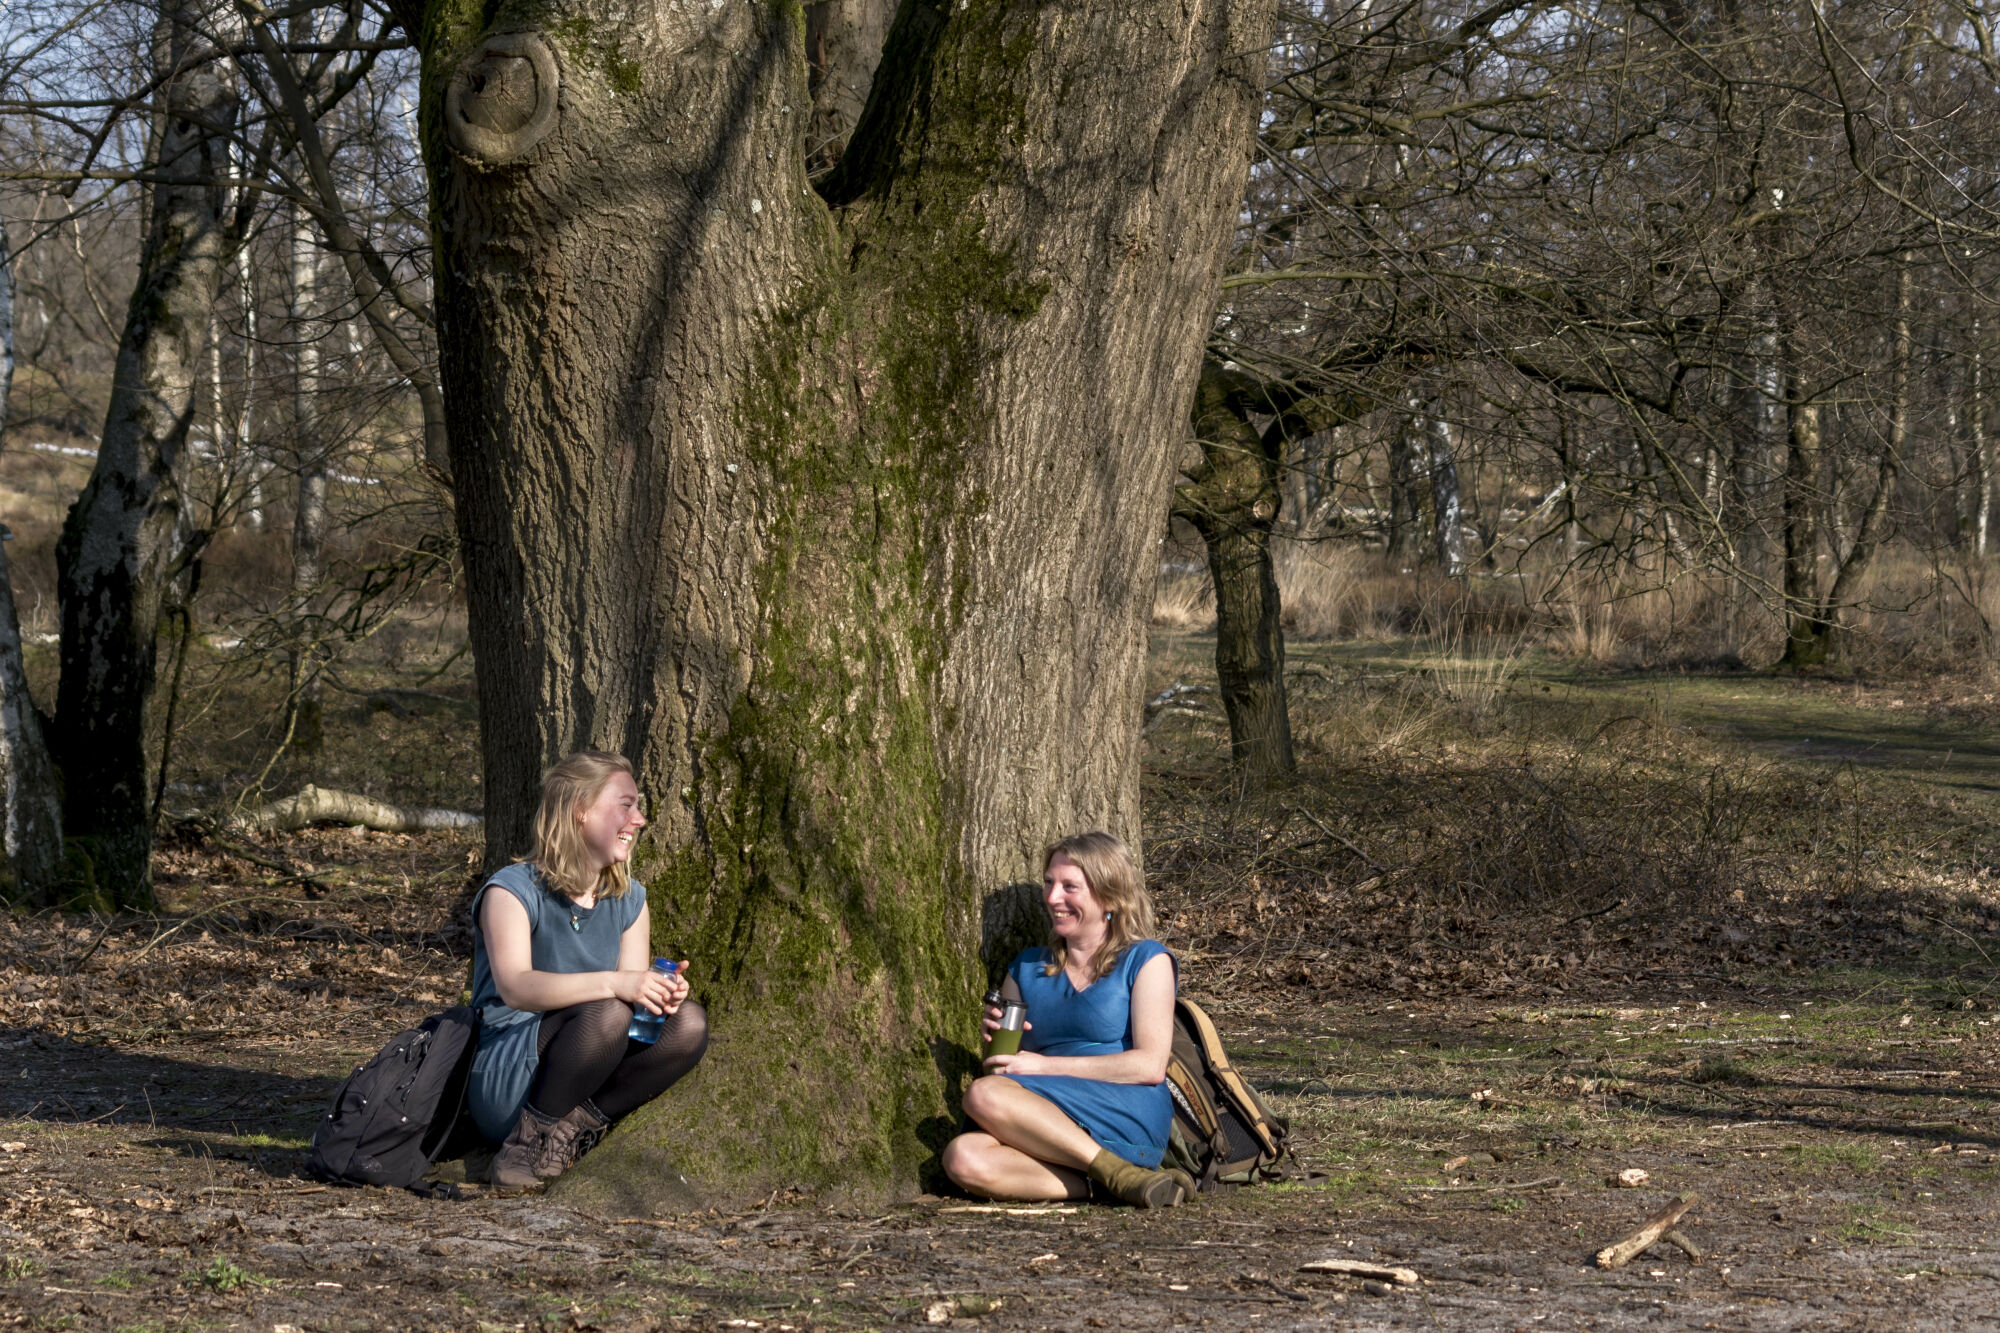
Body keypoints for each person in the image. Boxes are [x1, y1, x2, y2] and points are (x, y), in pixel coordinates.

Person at [466, 750, 709, 1188]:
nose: (639, 820)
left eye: (638, 807)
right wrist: (619, 983)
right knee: (608, 1009)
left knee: (689, 1022)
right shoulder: (512, 889)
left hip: (587, 1069)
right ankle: (521, 1148)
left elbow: (629, 1014)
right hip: (508, 1077)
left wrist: (656, 997)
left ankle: (570, 1132)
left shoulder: (630, 899)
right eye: (626, 804)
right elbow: (517, 988)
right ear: (580, 810)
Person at [942, 831, 1193, 1208]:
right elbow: (1004, 1074)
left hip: (1123, 1106)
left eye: (1069, 886)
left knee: (981, 1094)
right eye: (1049, 883)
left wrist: (1042, 1066)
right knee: (963, 1157)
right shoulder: (1026, 968)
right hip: (1047, 1118)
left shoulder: (1146, 960)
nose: (1052, 897)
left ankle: (1121, 1170)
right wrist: (996, 1042)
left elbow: (1151, 1065)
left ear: (1108, 895)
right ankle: (1121, 1182)